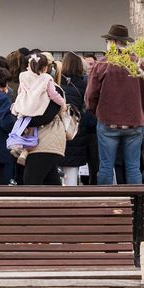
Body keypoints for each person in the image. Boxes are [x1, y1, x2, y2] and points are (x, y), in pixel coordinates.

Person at [86, 25, 144, 186]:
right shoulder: (140, 64)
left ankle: (106, 203)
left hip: (107, 120)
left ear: (113, 42)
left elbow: (91, 95)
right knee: (133, 167)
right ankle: (135, 204)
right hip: (135, 121)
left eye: (108, 40)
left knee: (105, 166)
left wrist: (95, 111)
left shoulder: (102, 64)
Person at [20, 53, 72, 186]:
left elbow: (45, 117)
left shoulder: (54, 89)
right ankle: (60, 206)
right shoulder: (29, 88)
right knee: (51, 182)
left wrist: (23, 118)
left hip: (47, 141)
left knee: (31, 181)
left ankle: (35, 207)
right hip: (39, 142)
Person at [56, 52, 92, 187]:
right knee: (72, 171)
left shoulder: (56, 83)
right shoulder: (84, 84)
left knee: (56, 170)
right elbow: (88, 108)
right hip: (77, 130)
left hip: (58, 130)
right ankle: (71, 200)